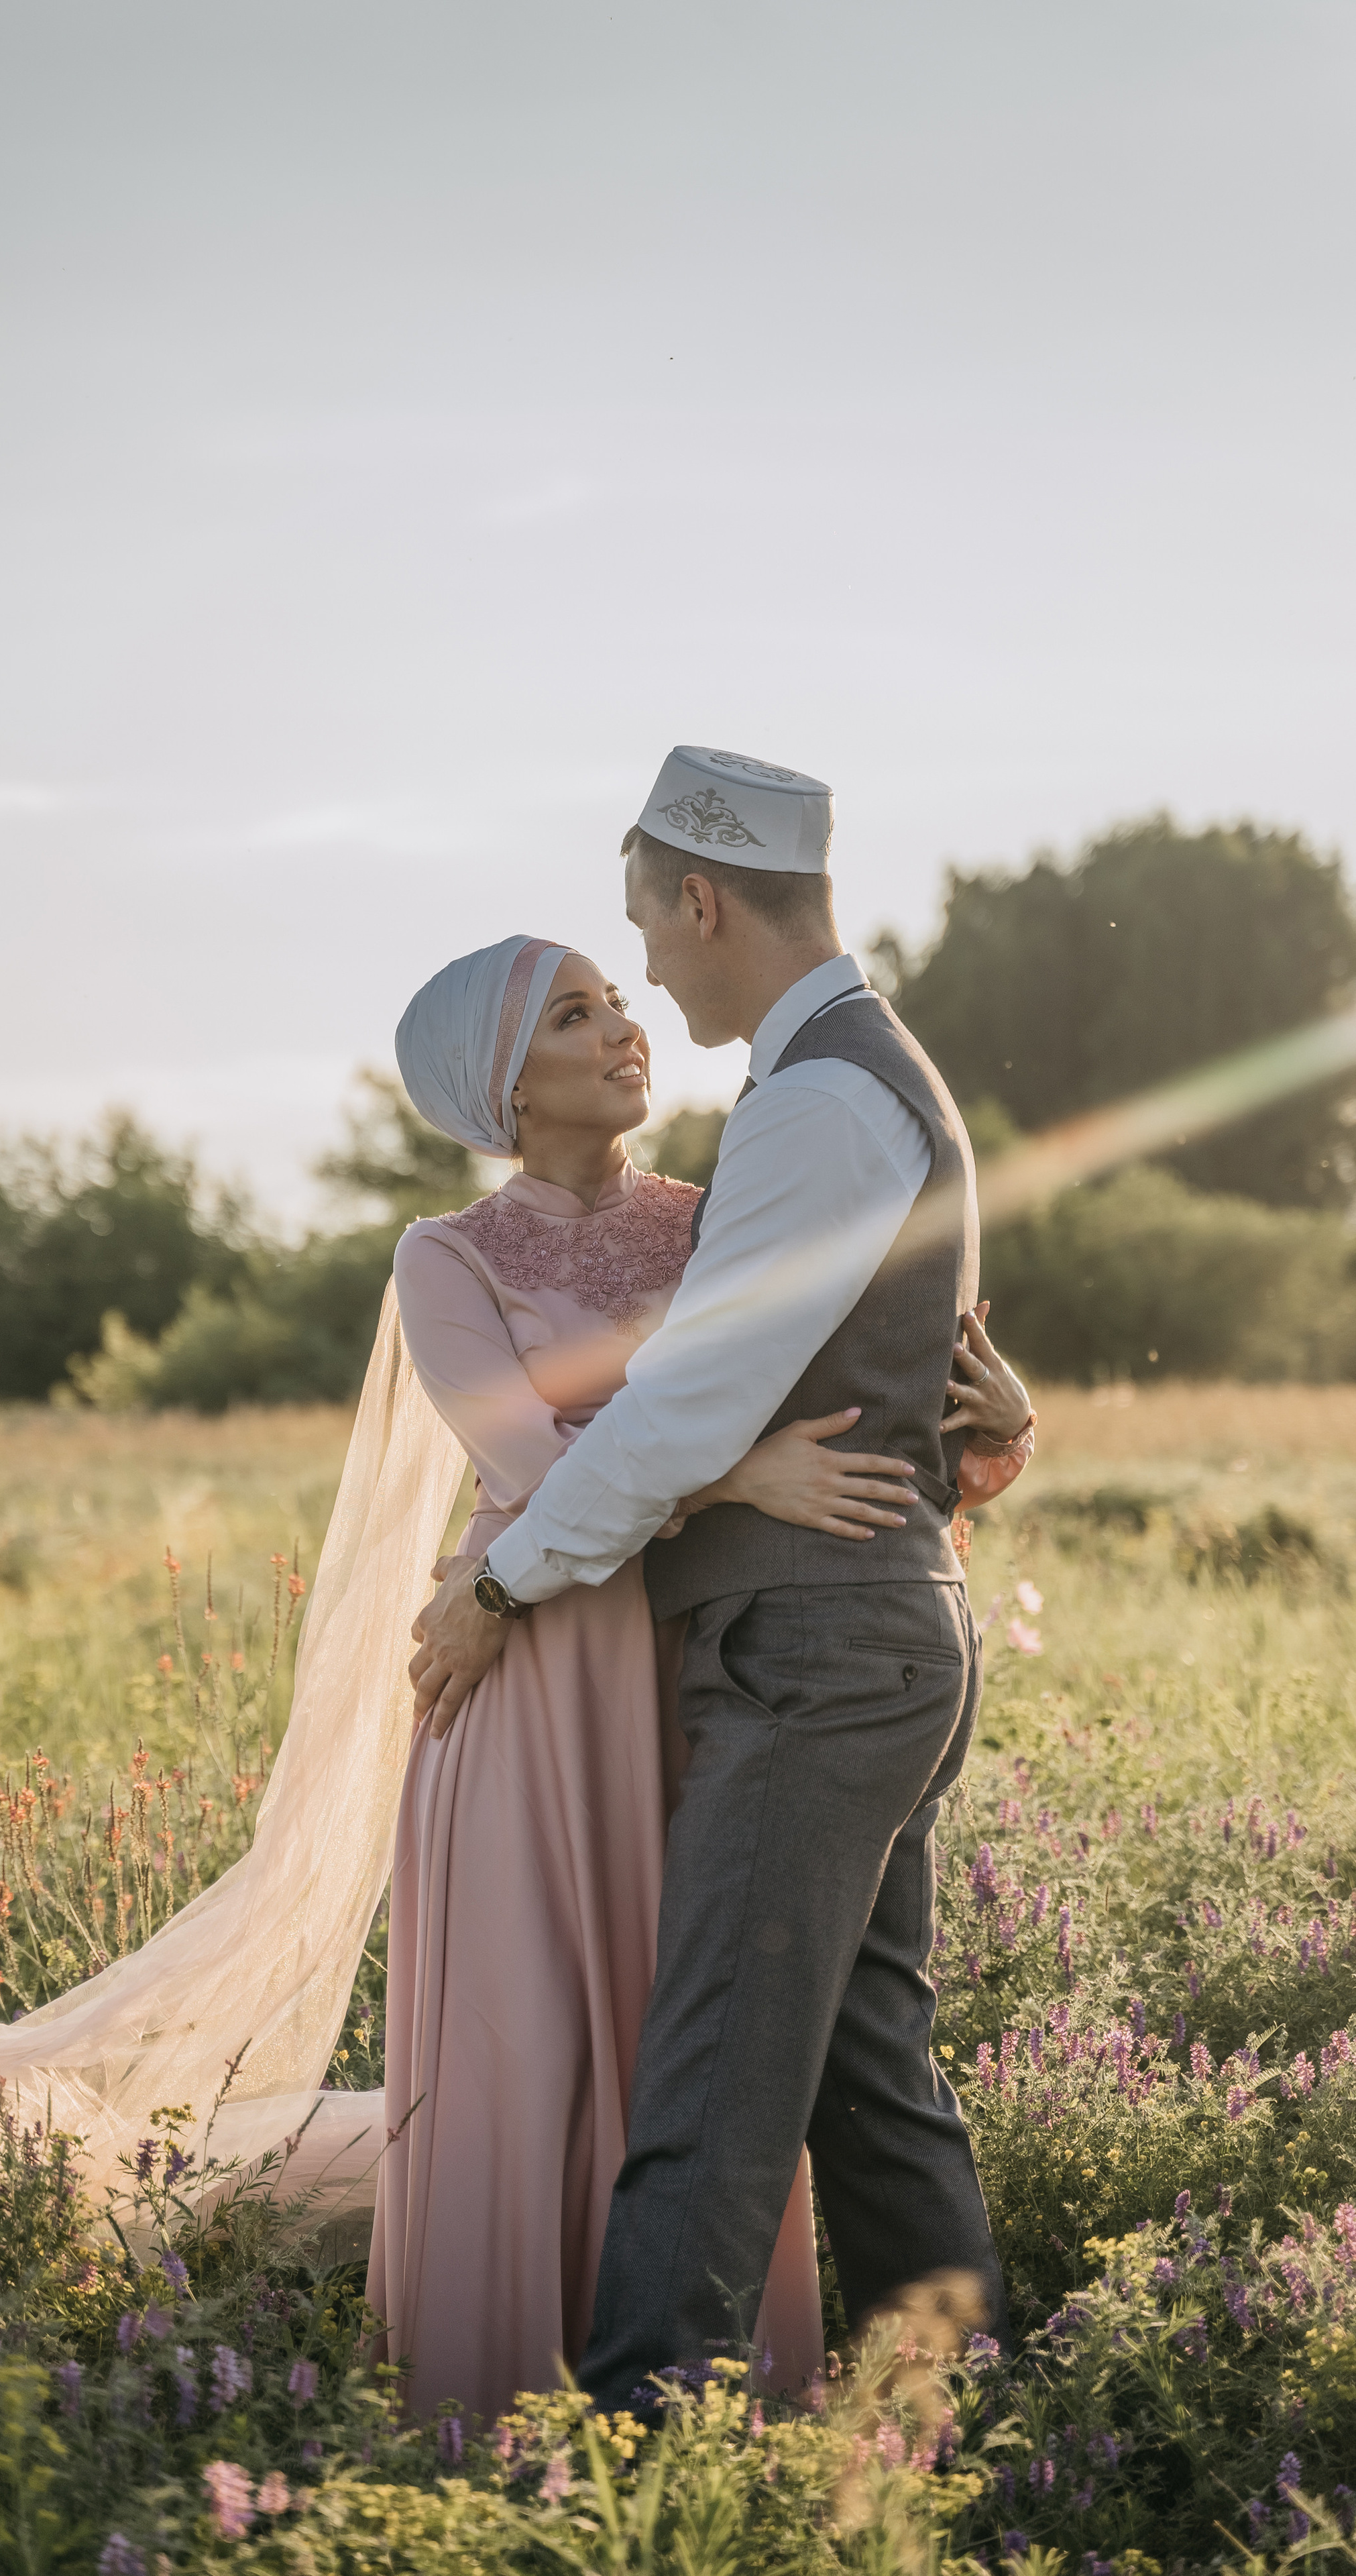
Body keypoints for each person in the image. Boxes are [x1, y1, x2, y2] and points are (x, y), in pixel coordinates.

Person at [408, 747, 1028, 2414]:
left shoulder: (818, 1095)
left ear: (700, 898)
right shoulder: (840, 1077)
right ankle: (950, 2413)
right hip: (865, 1629)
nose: (648, 983)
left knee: (710, 2081)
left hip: (817, 1645)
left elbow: (690, 1396)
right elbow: (900, 1355)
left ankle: (630, 2449)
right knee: (855, 2063)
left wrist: (502, 1585)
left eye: (643, 935)